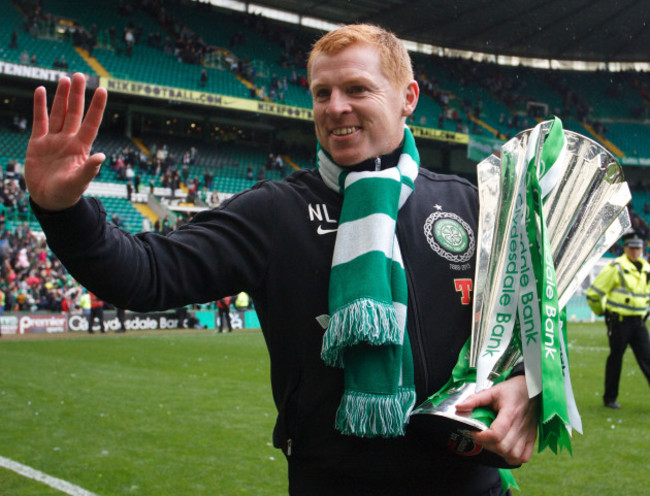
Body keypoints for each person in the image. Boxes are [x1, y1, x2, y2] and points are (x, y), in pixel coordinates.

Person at [25, 24, 537, 495]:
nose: (335, 107)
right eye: (322, 93)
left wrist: (528, 389)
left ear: (408, 98)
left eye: (356, 89)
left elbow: (534, 336)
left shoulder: (471, 205)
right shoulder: (275, 212)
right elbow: (146, 275)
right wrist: (63, 210)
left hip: (473, 484)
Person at [586, 230, 650, 409]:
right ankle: (610, 398)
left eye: (638, 248)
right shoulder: (616, 268)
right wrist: (602, 313)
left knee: (648, 358)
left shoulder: (646, 268)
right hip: (619, 322)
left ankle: (610, 398)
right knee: (616, 359)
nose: (636, 251)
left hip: (638, 322)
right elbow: (594, 294)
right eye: (632, 248)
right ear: (625, 248)